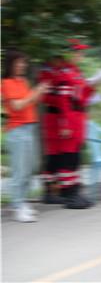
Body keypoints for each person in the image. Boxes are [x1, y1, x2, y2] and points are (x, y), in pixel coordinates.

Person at [39, 40, 95, 209]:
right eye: (77, 51)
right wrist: (64, 122)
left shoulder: (74, 72)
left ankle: (71, 191)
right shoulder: (59, 73)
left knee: (71, 157)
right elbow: (60, 99)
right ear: (68, 52)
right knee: (62, 158)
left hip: (74, 116)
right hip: (62, 118)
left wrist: (91, 88)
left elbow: (81, 96)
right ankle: (64, 193)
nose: (80, 55)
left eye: (81, 52)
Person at [2, 50, 49, 222]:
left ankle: (22, 203)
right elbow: (18, 105)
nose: (22, 65)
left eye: (23, 62)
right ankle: (17, 206)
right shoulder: (6, 83)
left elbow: (30, 102)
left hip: (30, 128)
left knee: (30, 170)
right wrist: (35, 93)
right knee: (19, 172)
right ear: (11, 64)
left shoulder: (23, 81)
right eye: (19, 62)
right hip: (17, 131)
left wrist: (40, 92)